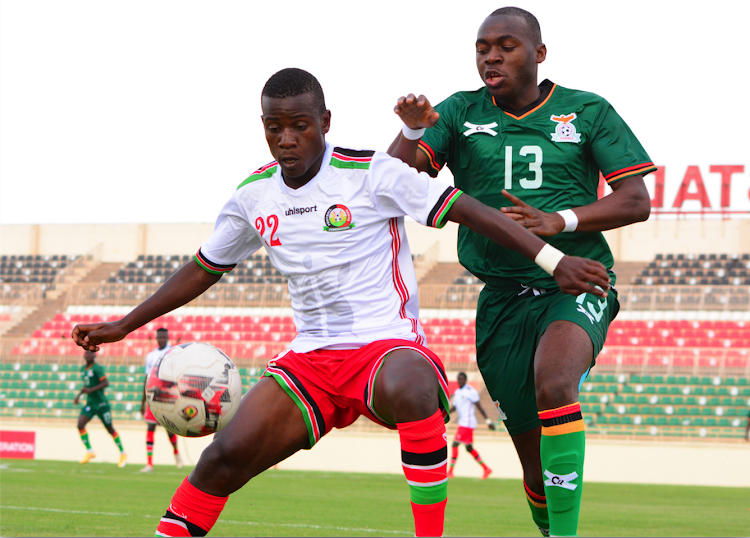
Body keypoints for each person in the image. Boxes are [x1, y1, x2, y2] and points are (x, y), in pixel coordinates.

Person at [71, 67, 610, 538]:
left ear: (325, 121)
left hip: (385, 349)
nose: (286, 139)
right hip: (309, 360)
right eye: (274, 127)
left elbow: (471, 210)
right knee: (221, 458)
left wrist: (553, 261)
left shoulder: (370, 172)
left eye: (299, 125)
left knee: (417, 385)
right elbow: (203, 268)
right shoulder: (252, 196)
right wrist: (125, 323)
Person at [387, 7, 655, 536]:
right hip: (501, 299)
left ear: (539, 53)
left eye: (506, 45)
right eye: (483, 46)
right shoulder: (460, 113)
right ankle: (550, 526)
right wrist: (409, 128)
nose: (491, 54)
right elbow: (391, 182)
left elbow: (636, 200)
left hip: (573, 281)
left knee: (556, 383)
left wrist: (560, 220)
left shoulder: (588, 109)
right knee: (533, 464)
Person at [74, 350, 127, 468]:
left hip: (102, 404)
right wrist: (78, 396)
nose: (88, 355)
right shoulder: (83, 369)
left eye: (90, 353)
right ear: (84, 355)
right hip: (90, 404)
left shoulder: (97, 368)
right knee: (80, 424)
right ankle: (90, 451)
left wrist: (90, 390)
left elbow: (105, 383)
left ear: (94, 355)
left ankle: (123, 453)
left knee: (110, 429)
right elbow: (86, 387)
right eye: (86, 353)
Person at [140, 327, 183, 472]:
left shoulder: (174, 353)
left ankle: (176, 452)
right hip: (154, 397)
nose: (162, 339)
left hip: (168, 397)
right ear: (157, 338)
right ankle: (149, 463)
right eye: (160, 337)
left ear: (168, 337)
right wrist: (143, 402)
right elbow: (147, 379)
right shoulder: (150, 356)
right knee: (150, 427)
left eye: (165, 337)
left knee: (169, 431)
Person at [447, 372, 495, 479]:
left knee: (454, 445)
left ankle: (450, 471)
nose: (460, 381)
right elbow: (454, 407)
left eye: (462, 379)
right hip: (463, 423)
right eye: (459, 379)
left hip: (467, 423)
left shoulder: (471, 392)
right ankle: (486, 469)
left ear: (465, 380)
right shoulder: (458, 392)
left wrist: (488, 421)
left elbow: (479, 407)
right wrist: (444, 414)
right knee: (469, 448)